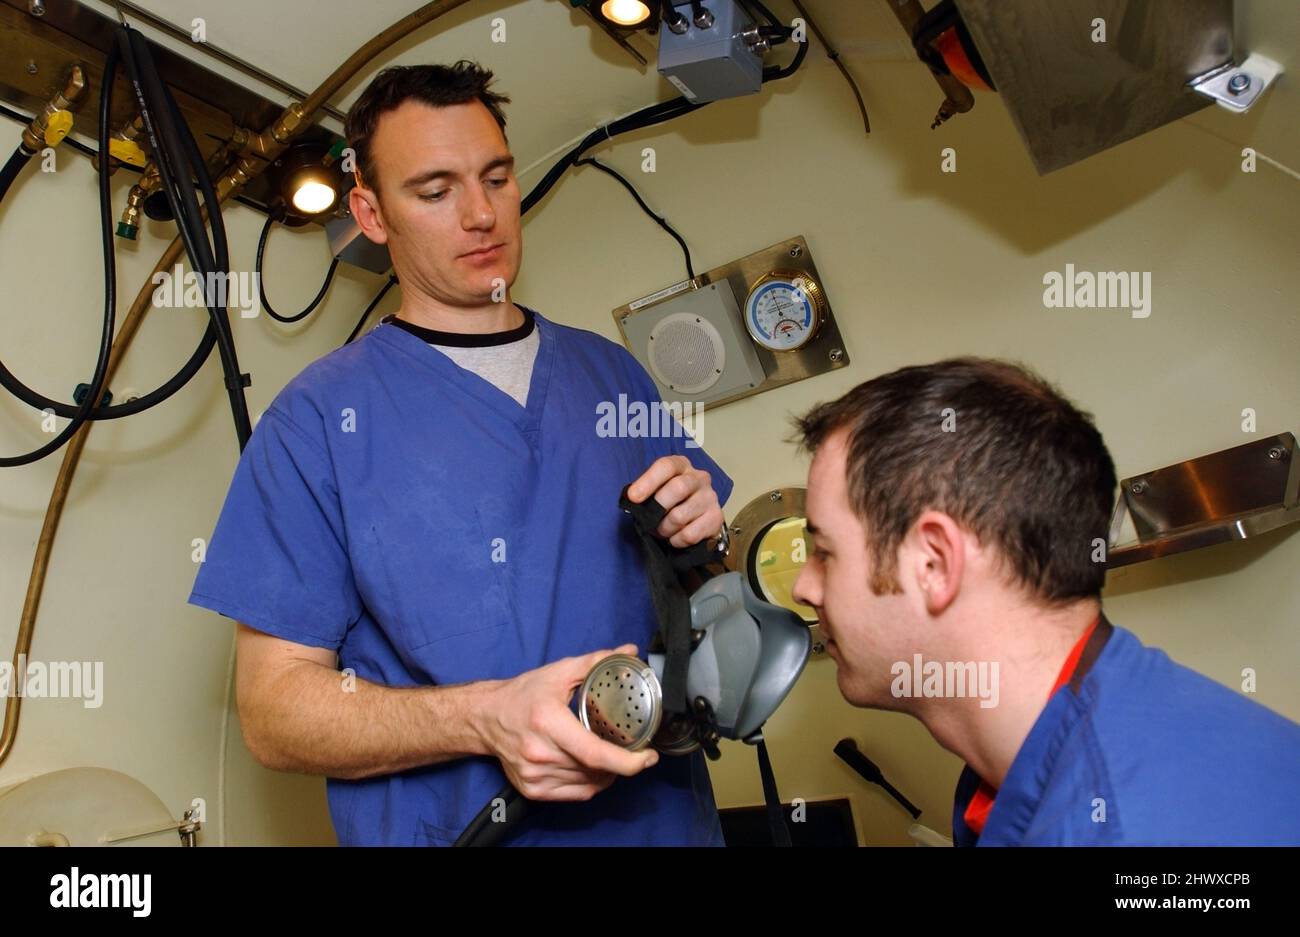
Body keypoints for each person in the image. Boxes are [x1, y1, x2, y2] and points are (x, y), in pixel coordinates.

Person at [188, 61, 733, 846]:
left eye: (497, 177)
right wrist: (485, 719)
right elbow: (274, 716)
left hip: (662, 824)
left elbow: (702, 582)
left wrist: (706, 537)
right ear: (371, 215)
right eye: (436, 191)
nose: (482, 214)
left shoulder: (609, 374)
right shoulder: (317, 423)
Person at [790, 357, 1300, 845]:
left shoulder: (1127, 832)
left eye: (824, 552)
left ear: (934, 564)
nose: (803, 589)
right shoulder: (1068, 737)